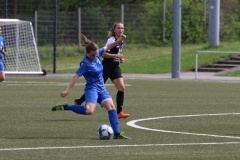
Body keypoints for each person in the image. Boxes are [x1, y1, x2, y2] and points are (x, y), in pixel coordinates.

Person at [51, 33, 130, 139]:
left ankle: (117, 133)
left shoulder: (97, 53)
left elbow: (108, 46)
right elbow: (75, 77)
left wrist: (119, 40)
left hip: (101, 89)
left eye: (96, 54)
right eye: (92, 55)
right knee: (89, 111)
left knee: (111, 107)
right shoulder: (85, 64)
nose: (94, 56)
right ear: (87, 53)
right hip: (91, 89)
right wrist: (67, 91)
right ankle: (67, 107)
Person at [74, 22, 129, 119]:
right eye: (119, 28)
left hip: (115, 67)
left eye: (122, 28)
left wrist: (120, 58)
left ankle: (119, 112)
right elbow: (103, 54)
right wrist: (116, 55)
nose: (121, 30)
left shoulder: (121, 40)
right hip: (106, 67)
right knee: (96, 87)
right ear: (114, 30)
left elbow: (118, 53)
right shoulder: (111, 40)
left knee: (122, 88)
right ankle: (78, 102)